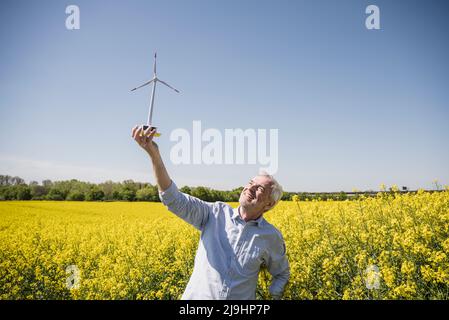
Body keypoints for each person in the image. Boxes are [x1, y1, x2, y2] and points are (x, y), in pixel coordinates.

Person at [132, 125, 290, 300]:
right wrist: (155, 155)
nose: (250, 187)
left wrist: (274, 295)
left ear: (269, 203)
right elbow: (173, 199)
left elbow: (282, 273)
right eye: (250, 182)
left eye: (259, 187)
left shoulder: (271, 236)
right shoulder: (214, 214)